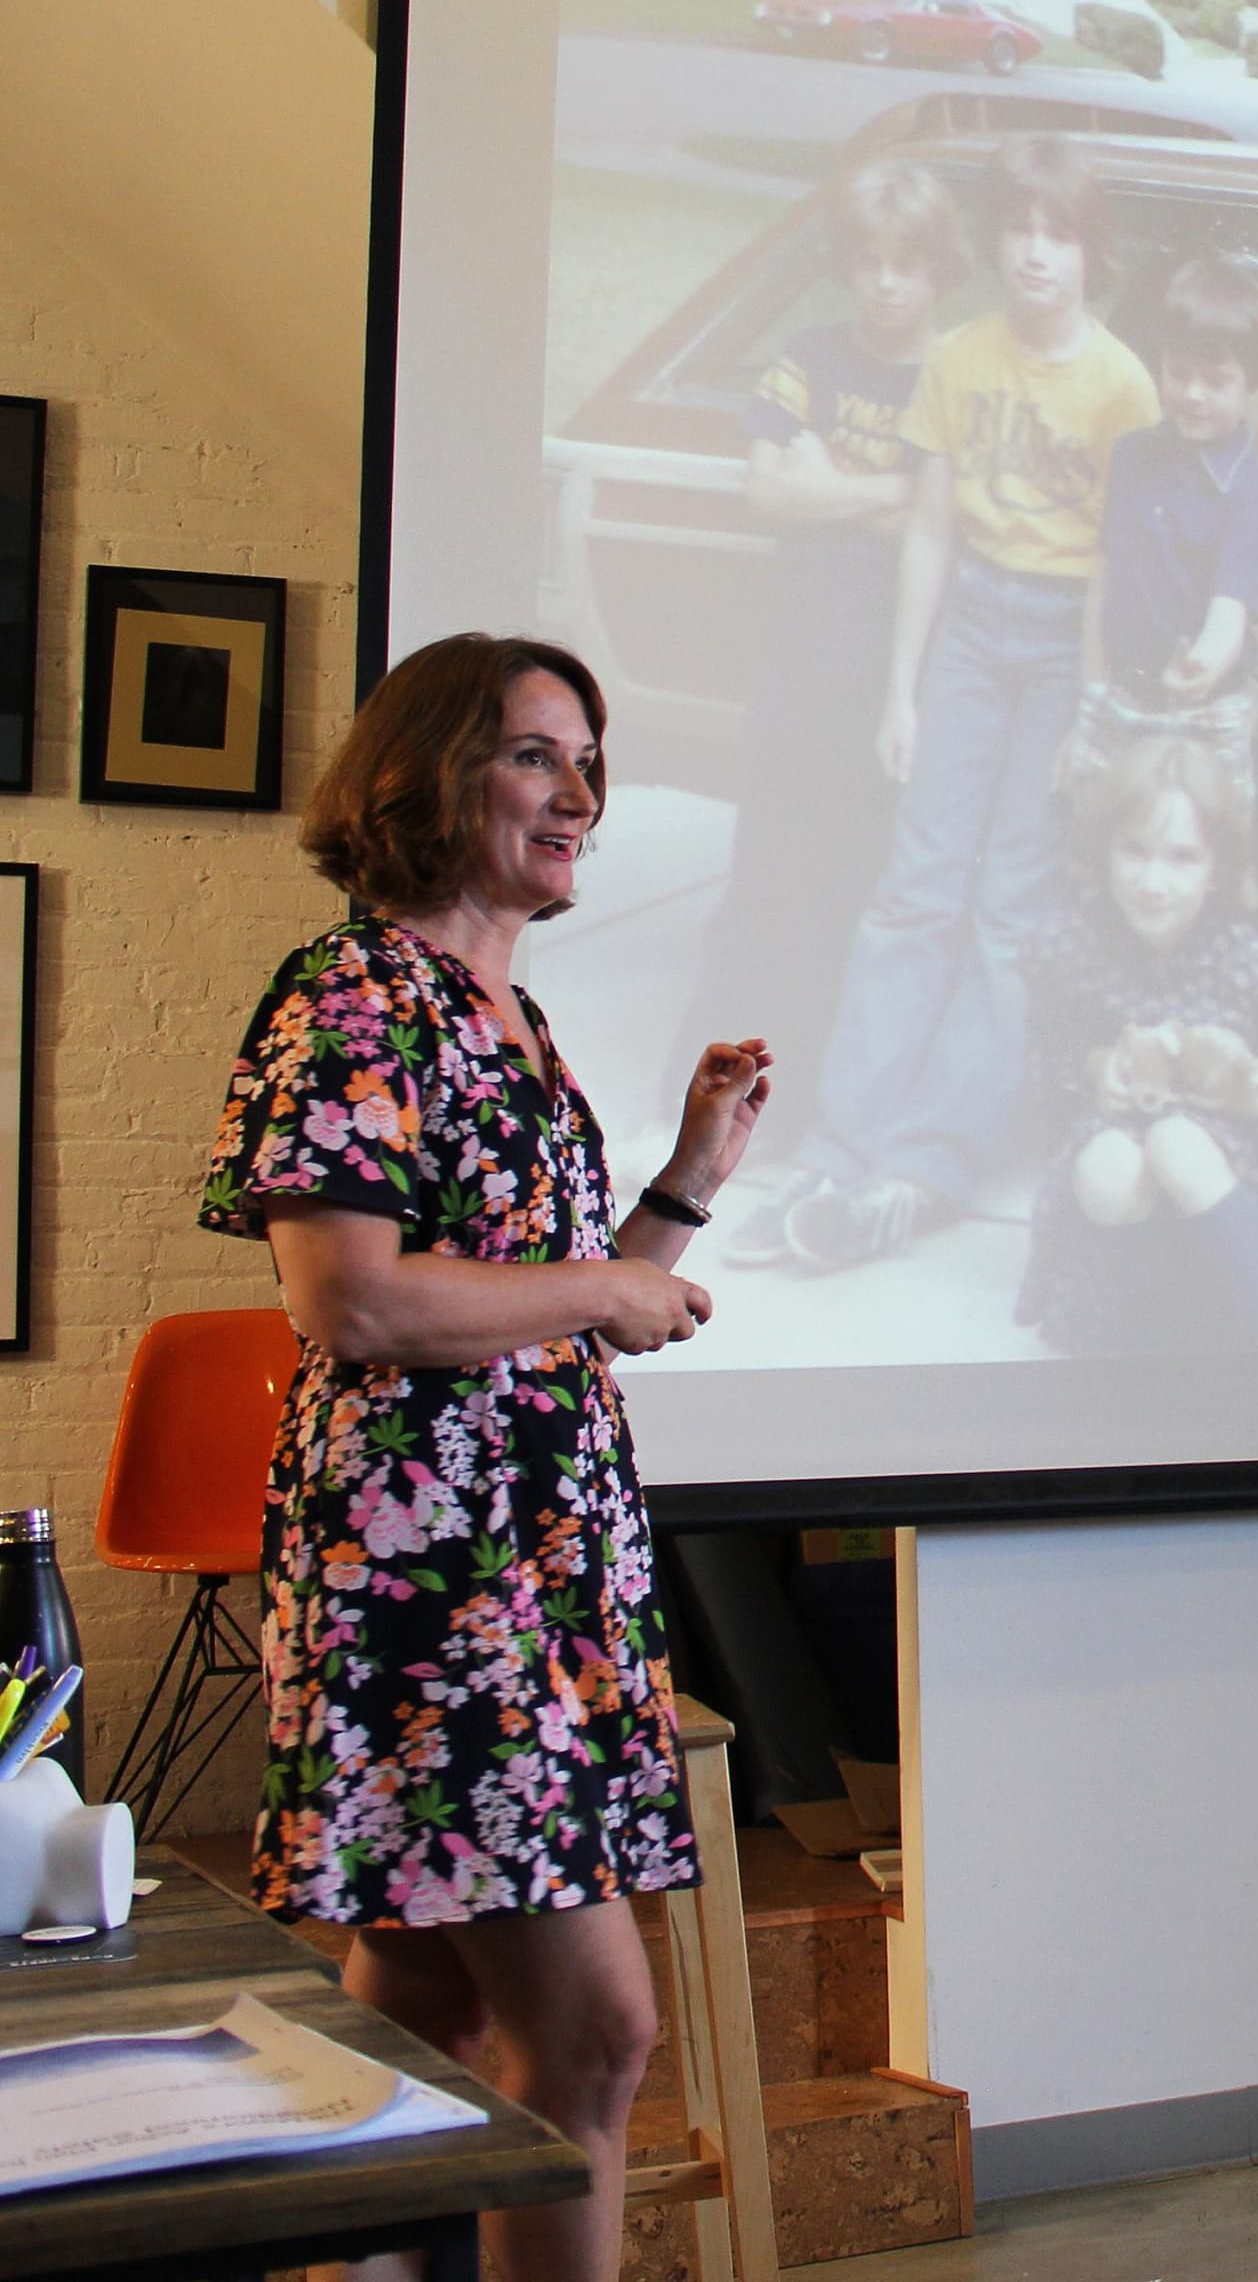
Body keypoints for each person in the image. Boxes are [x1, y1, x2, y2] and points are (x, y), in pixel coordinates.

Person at [197, 632, 773, 2282]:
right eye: (537, 754)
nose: (579, 792)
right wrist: (606, 1277)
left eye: (591, 759)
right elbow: (355, 1299)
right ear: (427, 776)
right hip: (430, 1585)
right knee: (593, 2034)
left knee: (431, 2003)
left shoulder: (502, 1010)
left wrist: (679, 1187)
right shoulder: (354, 996)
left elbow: (531, 1299)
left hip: (534, 1564)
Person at [764, 135, 1159, 1272]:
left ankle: (929, 1163)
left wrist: (1089, 709)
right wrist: (903, 688)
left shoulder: (1122, 385)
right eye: (1022, 232)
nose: (1038, 255)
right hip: (972, 633)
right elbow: (932, 531)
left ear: (1092, 252)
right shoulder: (961, 359)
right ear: (995, 245)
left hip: (1061, 637)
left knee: (1008, 912)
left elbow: (1114, 567)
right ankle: (842, 1152)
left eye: (1062, 234)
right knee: (914, 894)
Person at [680, 159, 969, 1116]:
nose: (888, 282)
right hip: (801, 665)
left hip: (903, 679)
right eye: (872, 261)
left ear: (940, 272)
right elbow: (769, 488)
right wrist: (897, 493)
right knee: (765, 878)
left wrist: (832, 488)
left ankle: (816, 1109)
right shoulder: (808, 358)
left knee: (861, 889)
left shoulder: (956, 374)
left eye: (910, 263)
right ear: (849, 267)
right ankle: (704, 1095)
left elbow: (952, 522)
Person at [1015, 733, 1258, 1352]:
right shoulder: (1068, 947)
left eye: (1181, 858)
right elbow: (1046, 1061)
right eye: (1134, 852)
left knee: (1178, 1141)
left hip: (1229, 1171)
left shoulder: (1257, 958)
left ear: (1219, 869)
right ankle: (1136, 1328)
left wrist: (1251, 1087)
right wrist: (1097, 1066)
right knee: (1112, 1166)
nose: (1152, 882)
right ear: (1103, 848)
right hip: (1116, 1172)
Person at [1054, 249, 1258, 813]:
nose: (1195, 395)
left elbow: (1232, 607)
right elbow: (1105, 578)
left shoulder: (1245, 493)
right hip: (1121, 694)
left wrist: (1202, 663)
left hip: (1206, 709)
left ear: (1251, 382)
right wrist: (1092, 691)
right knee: (1096, 838)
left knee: (1208, 850)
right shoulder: (1132, 457)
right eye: (1180, 374)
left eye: (1216, 380)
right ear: (1160, 363)